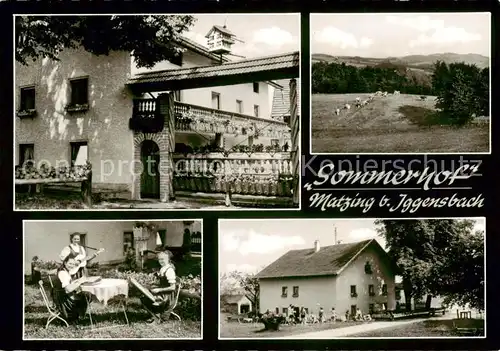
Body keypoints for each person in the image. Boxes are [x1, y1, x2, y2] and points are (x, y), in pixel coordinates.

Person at [52, 254, 90, 324]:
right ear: (65, 263)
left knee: (85, 295)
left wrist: (77, 281)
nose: (71, 266)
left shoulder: (65, 271)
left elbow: (68, 283)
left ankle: (77, 316)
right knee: (86, 296)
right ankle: (75, 317)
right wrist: (79, 282)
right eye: (70, 263)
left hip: (61, 295)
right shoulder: (62, 273)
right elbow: (68, 289)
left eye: (73, 264)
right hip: (62, 300)